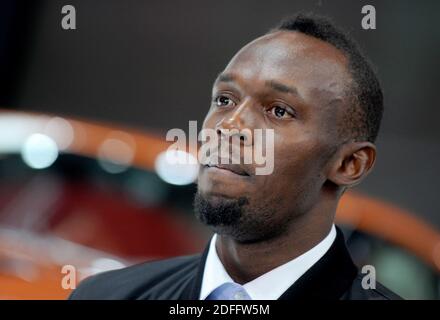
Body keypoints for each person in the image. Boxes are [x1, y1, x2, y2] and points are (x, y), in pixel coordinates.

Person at [69, 13, 401, 300]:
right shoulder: (105, 294)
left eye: (278, 110)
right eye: (225, 100)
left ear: (349, 164)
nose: (229, 125)